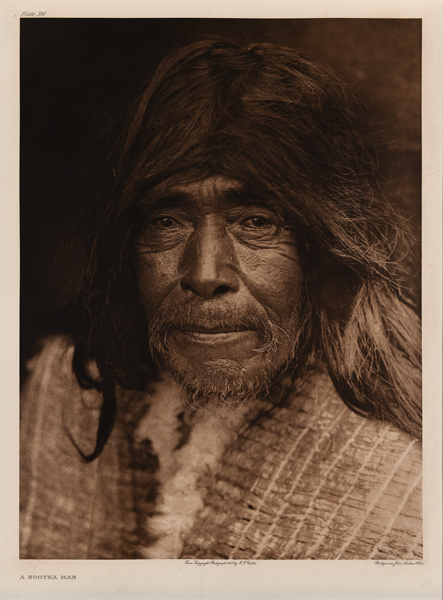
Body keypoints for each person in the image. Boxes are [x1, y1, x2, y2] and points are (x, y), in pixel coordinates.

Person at [20, 37, 422, 560]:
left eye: (256, 222)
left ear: (322, 247)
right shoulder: (77, 381)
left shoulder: (402, 466)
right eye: (166, 221)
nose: (205, 274)